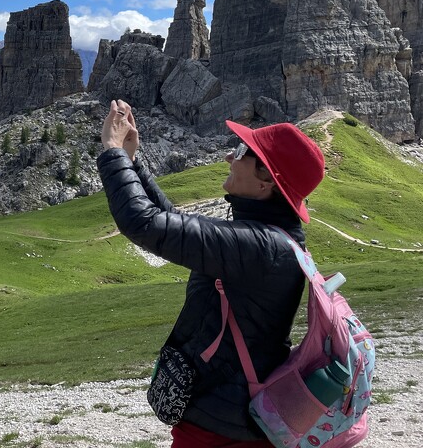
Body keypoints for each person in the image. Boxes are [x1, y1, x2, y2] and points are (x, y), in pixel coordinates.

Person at [97, 99, 326, 448]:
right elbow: (175, 224)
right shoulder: (271, 239)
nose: (229, 158)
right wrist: (132, 161)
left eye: (241, 151)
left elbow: (145, 223)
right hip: (230, 418)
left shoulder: (258, 247)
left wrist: (112, 152)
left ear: (266, 182)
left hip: (219, 431)